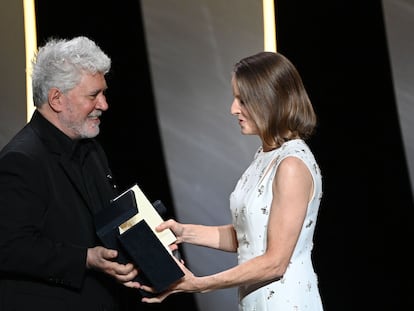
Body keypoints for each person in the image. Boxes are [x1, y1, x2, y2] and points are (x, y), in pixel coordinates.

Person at [141, 51, 324, 310]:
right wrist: (184, 233)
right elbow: (249, 236)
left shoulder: (291, 165)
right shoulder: (266, 154)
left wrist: (200, 284)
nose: (233, 108)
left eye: (243, 99)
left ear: (270, 100)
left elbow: (275, 261)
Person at [0, 36, 141, 310]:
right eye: (93, 95)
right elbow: (9, 247)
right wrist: (85, 259)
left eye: (103, 93)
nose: (104, 104)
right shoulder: (20, 160)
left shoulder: (92, 150)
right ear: (56, 99)